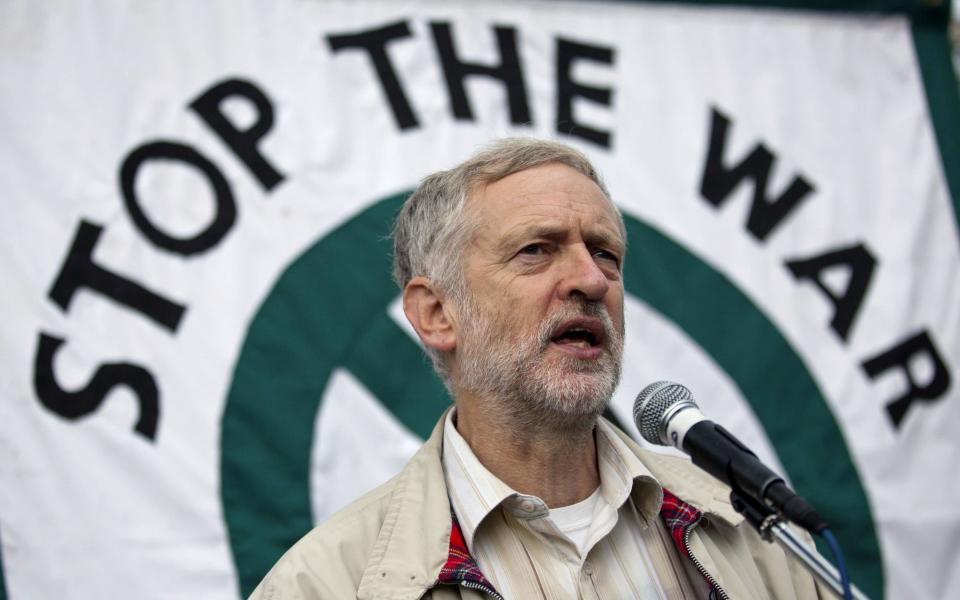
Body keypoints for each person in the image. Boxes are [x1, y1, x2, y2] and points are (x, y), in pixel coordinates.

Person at [250, 138, 827, 599]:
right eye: (536, 250)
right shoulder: (325, 584)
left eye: (606, 254)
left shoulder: (756, 533)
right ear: (436, 314)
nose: (592, 280)